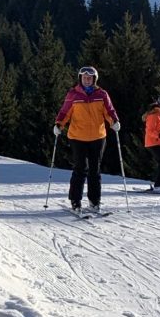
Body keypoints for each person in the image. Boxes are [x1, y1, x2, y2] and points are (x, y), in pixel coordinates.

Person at [54, 66, 120, 214]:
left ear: (94, 79)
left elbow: (109, 111)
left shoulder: (101, 94)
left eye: (89, 78)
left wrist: (114, 122)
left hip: (98, 136)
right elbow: (65, 112)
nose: (87, 80)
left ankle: (94, 201)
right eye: (84, 77)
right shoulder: (73, 94)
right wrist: (59, 125)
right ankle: (75, 200)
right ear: (80, 79)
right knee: (80, 168)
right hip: (77, 137)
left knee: (95, 170)